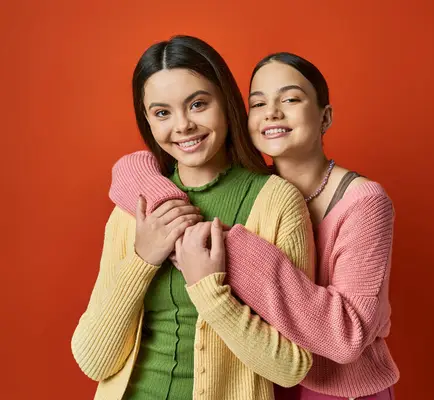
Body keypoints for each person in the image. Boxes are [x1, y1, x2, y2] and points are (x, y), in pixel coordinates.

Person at [110, 52, 399, 399]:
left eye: (290, 99)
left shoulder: (364, 202)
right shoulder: (259, 190)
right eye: (259, 103)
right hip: (264, 385)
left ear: (325, 117)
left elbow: (347, 336)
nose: (272, 112)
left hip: (340, 391)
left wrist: (220, 248)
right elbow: (133, 169)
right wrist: (164, 210)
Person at [71, 36, 316, 400]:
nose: (183, 125)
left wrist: (211, 292)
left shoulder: (276, 202)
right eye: (162, 113)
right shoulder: (135, 205)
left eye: (198, 104)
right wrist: (142, 260)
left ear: (226, 102)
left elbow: (291, 368)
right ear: (148, 120)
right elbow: (94, 361)